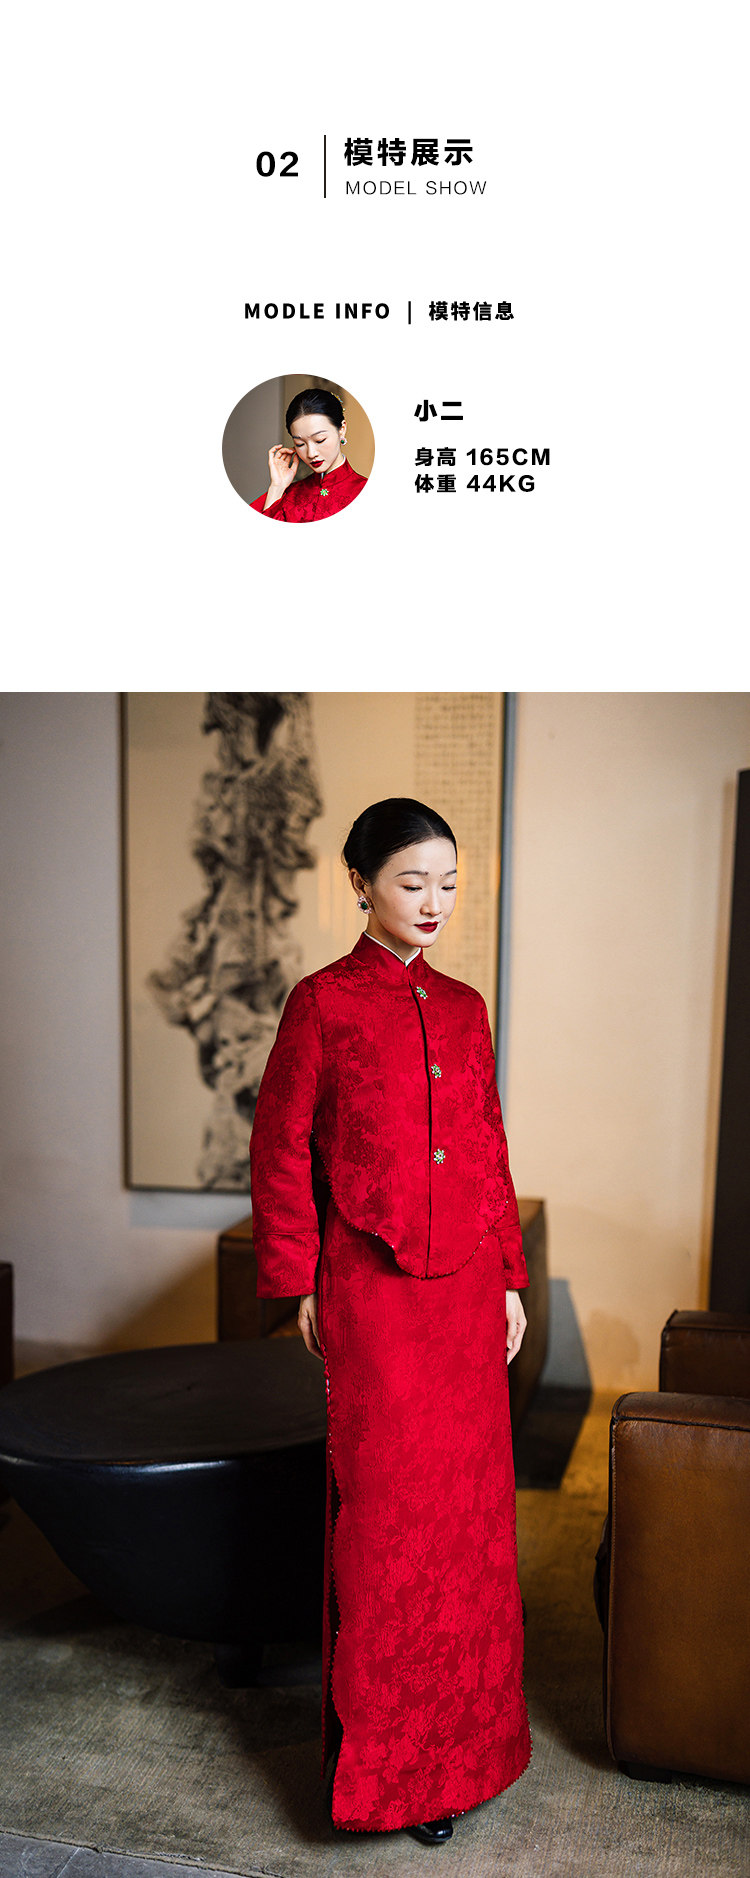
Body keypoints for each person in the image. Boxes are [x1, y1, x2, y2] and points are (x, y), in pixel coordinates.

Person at [249, 798, 531, 1844]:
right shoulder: (322, 1004)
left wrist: (510, 1277)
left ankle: (474, 1754)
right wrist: (299, 1280)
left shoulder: (464, 1008)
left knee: (469, 1530)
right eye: (413, 882)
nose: (433, 902)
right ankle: (392, 1775)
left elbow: (489, 1143)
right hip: (372, 1295)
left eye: (448, 884)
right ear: (359, 883)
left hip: (466, 1297)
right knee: (383, 1530)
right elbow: (280, 1147)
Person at [250, 387, 368, 522]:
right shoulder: (290, 495)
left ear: (342, 429)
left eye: (320, 440)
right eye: (300, 444)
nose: (311, 454)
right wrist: (277, 487)